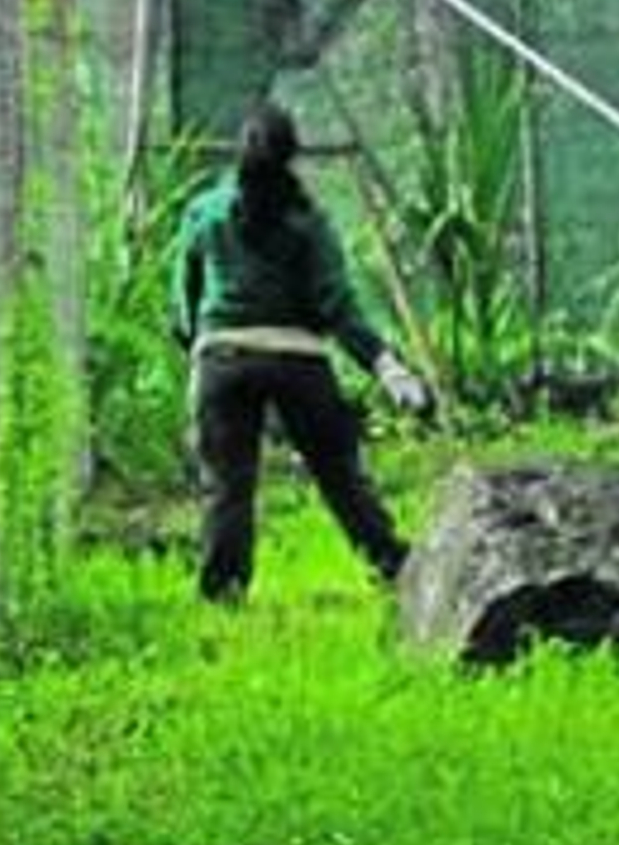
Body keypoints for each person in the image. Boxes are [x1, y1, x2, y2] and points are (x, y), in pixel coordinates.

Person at [172, 103, 430, 602]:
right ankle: (391, 564)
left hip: (222, 357)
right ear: (293, 157)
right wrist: (388, 367)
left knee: (228, 484)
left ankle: (223, 591)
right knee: (339, 475)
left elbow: (184, 298)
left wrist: (196, 343)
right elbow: (338, 306)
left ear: (239, 152)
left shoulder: (204, 212)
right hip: (298, 360)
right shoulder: (308, 221)